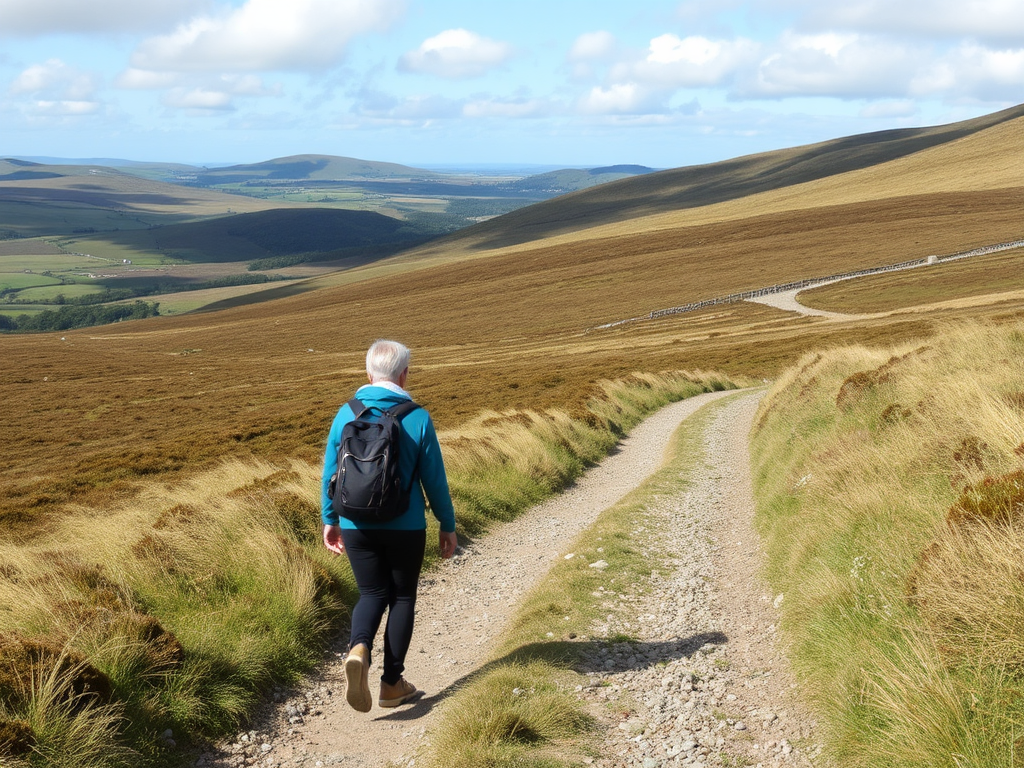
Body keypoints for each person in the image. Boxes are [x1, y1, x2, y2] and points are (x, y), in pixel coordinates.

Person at [321, 339, 458, 712]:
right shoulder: (417, 416)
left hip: (354, 521)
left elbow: (331, 474)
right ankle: (391, 683)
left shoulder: (344, 414)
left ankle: (359, 648)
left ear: (368, 374)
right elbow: (435, 479)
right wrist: (447, 524)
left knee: (370, 594)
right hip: (405, 525)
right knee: (401, 598)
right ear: (404, 373)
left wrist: (330, 519)